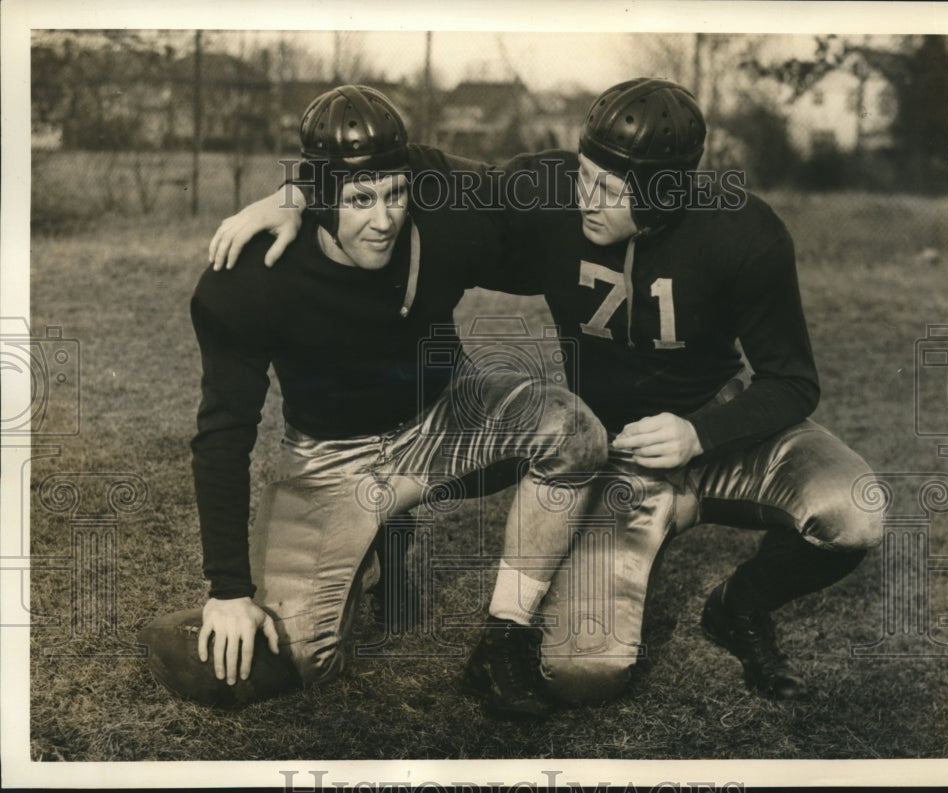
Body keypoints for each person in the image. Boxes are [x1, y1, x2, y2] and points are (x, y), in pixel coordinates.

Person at [207, 78, 884, 704]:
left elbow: (794, 380)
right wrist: (294, 192)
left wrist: (701, 432)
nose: (585, 198)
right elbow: (421, 169)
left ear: (663, 196)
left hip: (722, 423)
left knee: (856, 509)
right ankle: (393, 532)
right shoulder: (552, 192)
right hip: (618, 453)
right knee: (582, 670)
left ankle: (737, 604)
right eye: (584, 176)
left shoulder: (743, 232)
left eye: (609, 190)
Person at [140, 85, 607, 719]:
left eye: (394, 194)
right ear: (324, 198)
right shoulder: (252, 279)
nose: (384, 219)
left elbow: (535, 181)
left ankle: (505, 640)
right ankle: (383, 532)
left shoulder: (441, 211)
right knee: (299, 660)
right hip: (332, 458)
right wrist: (227, 592)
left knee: (573, 433)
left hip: (447, 413)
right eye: (360, 199)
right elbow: (224, 434)